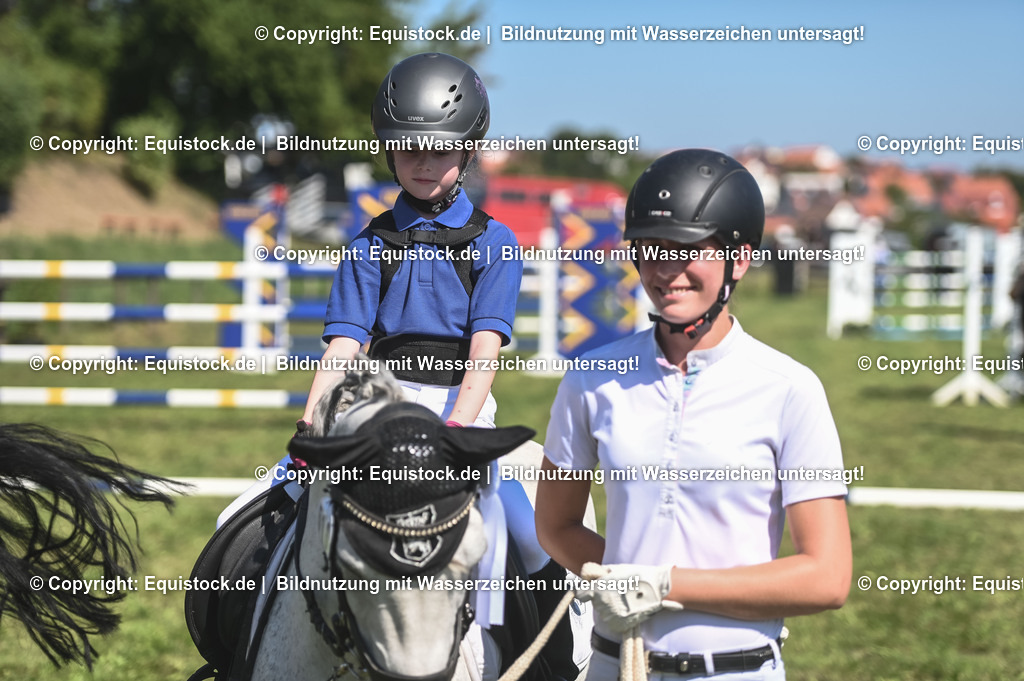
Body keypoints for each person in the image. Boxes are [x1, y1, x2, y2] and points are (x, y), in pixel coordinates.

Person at [536, 149, 852, 680]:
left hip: (736, 669)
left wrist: (661, 585)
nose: (666, 269)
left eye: (690, 248)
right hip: (619, 664)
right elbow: (556, 524)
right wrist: (615, 576)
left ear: (741, 259)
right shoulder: (590, 379)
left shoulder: (791, 390)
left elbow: (827, 577)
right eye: (651, 248)